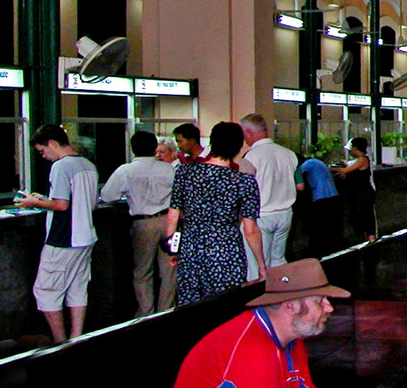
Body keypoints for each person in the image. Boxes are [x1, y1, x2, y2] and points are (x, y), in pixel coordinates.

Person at [156, 259, 370, 388]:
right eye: (320, 301)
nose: (329, 308)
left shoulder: (292, 342)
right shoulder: (250, 350)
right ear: (291, 306)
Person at [15, 124, 98, 342]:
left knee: (46, 290)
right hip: (86, 236)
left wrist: (35, 202)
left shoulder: (61, 167)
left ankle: (60, 342)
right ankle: (76, 338)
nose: (44, 156)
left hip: (63, 238)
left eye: (42, 151)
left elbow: (62, 205)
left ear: (52, 143)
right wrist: (44, 199)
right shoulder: (88, 165)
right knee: (78, 288)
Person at [167, 121, 265, 305]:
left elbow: (173, 215)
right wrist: (261, 264)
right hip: (227, 252)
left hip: (191, 250)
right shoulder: (244, 182)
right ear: (238, 146)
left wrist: (173, 249)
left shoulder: (184, 173)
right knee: (225, 308)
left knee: (192, 308)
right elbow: (250, 229)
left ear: (211, 142)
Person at [100, 129, 178, 315]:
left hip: (142, 224)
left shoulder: (125, 171)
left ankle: (145, 314)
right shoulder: (169, 169)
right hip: (169, 222)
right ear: (154, 149)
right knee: (169, 270)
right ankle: (166, 312)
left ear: (132, 148)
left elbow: (107, 195)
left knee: (143, 272)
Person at [239, 113, 298, 273]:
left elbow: (246, 190)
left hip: (261, 215)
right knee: (278, 261)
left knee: (258, 266)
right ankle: (283, 294)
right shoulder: (288, 153)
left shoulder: (251, 156)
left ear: (249, 133)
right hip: (285, 214)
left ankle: (261, 296)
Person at [296, 152, 344, 257]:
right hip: (333, 195)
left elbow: (298, 173)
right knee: (329, 224)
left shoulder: (308, 163)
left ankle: (316, 250)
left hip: (320, 196)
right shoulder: (318, 162)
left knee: (318, 225)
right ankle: (329, 248)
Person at [332, 136, 377, 242]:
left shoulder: (362, 159)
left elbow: (345, 170)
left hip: (364, 192)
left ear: (356, 148)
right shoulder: (363, 159)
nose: (351, 151)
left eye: (351, 148)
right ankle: (369, 237)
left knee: (365, 214)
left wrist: (327, 168)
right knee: (364, 214)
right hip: (362, 192)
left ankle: (370, 237)